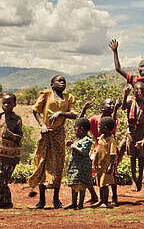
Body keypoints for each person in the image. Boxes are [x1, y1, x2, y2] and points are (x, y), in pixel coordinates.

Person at [29, 75, 78, 209]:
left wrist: (61, 113)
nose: (62, 83)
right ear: (52, 84)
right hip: (46, 134)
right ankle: (42, 200)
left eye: (64, 81)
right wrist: (42, 125)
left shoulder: (69, 98)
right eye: (59, 81)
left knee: (58, 165)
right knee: (42, 163)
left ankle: (56, 199)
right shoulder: (46, 95)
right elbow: (35, 110)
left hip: (59, 135)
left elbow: (74, 115)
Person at [80, 98, 118, 205]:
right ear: (102, 108)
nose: (112, 105)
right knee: (92, 171)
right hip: (98, 148)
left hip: (109, 149)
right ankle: (95, 196)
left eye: (113, 104)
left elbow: (113, 129)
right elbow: (81, 123)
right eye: (109, 103)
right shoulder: (95, 119)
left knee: (112, 173)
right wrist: (84, 110)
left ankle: (114, 196)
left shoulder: (113, 120)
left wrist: (116, 110)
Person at [0, 93, 22, 209]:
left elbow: (19, 137)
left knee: (0, 178)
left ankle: (7, 202)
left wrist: (11, 135)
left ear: (14, 104)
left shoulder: (17, 119)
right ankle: (0, 200)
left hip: (10, 156)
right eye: (4, 103)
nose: (6, 105)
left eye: (9, 103)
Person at [119, 82, 144, 192]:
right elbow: (123, 107)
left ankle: (140, 178)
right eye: (136, 90)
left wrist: (143, 99)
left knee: (141, 156)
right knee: (132, 156)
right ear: (134, 90)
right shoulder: (131, 100)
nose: (138, 92)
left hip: (142, 131)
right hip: (131, 131)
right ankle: (134, 180)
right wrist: (125, 95)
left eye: (141, 90)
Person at [65, 118, 93, 210]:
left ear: (81, 129)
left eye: (76, 130)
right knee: (74, 184)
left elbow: (84, 152)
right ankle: (73, 203)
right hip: (75, 166)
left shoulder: (87, 140)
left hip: (82, 167)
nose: (75, 132)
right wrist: (71, 144)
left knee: (81, 185)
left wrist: (73, 146)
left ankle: (80, 204)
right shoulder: (78, 140)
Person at [93, 116, 118, 208]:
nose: (98, 128)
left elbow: (112, 154)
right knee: (100, 183)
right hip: (99, 165)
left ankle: (105, 201)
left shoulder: (111, 140)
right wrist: (94, 162)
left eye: (100, 127)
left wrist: (111, 165)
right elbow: (97, 151)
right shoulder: (101, 138)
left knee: (104, 184)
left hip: (106, 166)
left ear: (106, 128)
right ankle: (101, 200)